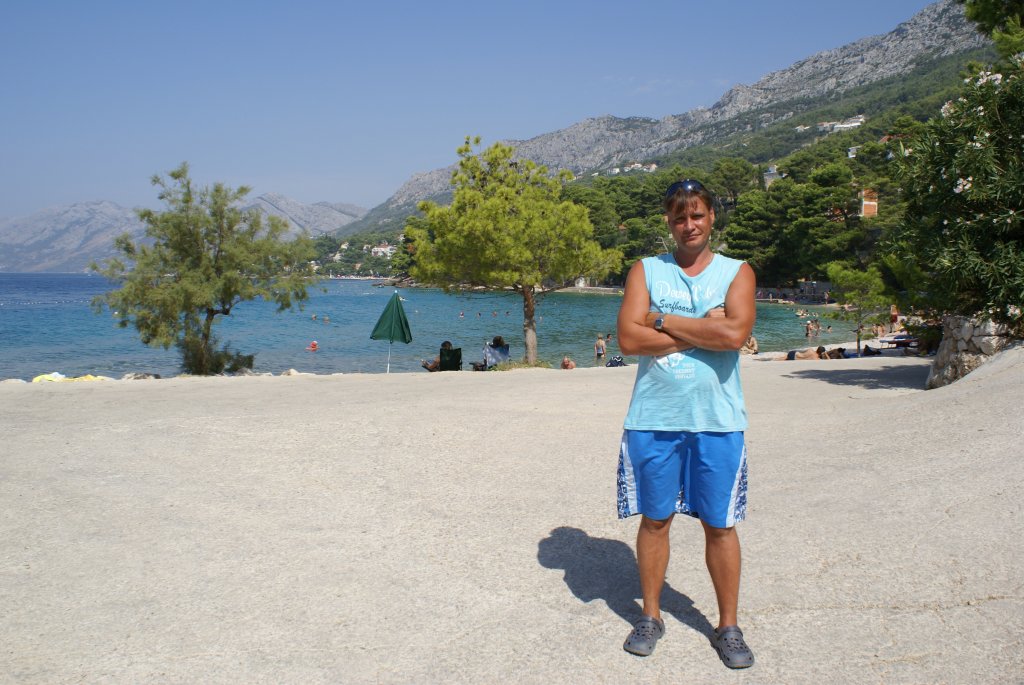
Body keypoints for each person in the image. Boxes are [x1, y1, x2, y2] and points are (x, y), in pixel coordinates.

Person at [615, 179, 756, 669]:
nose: (689, 225)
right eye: (680, 217)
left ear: (711, 217)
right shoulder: (646, 270)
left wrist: (660, 319)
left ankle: (728, 626)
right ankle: (650, 616)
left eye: (697, 215)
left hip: (718, 420)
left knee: (720, 525)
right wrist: (705, 327)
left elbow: (734, 334)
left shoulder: (737, 272)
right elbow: (628, 341)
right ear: (669, 222)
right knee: (655, 520)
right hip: (653, 418)